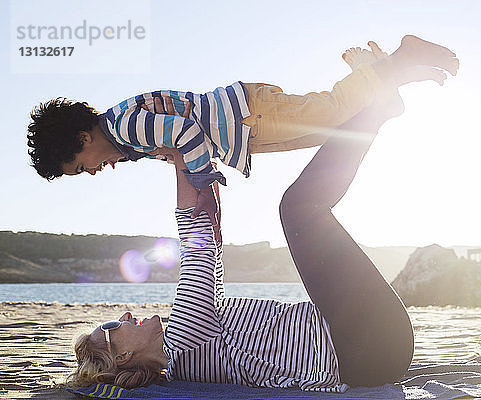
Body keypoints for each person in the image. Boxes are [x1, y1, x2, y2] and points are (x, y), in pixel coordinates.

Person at [65, 57, 430, 390]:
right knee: (299, 210)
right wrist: (180, 161)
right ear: (122, 358)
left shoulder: (189, 355)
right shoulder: (183, 337)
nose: (124, 315)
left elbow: (211, 253)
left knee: (300, 203)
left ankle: (374, 110)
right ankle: (375, 110)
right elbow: (199, 251)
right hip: (366, 342)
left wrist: (188, 165)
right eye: (112, 327)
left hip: (370, 346)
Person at [27, 36, 458, 223]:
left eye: (80, 167)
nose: (92, 171)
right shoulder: (125, 138)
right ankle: (384, 73)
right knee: (333, 127)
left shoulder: (124, 123)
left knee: (331, 112)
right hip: (246, 133)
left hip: (247, 114)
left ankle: (400, 57)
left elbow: (186, 136)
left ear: (83, 140)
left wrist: (202, 182)